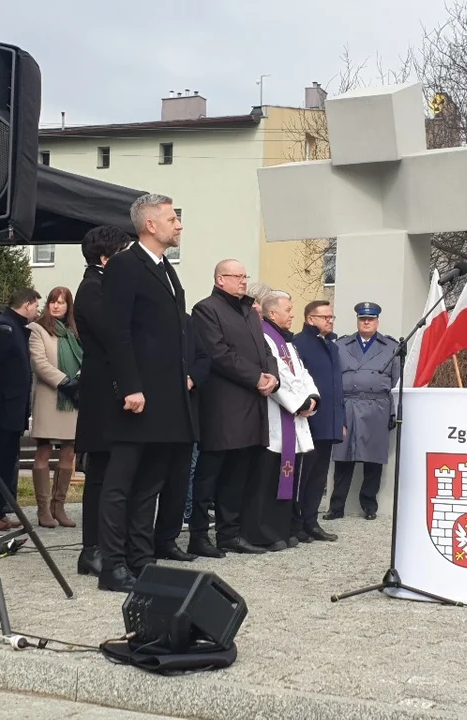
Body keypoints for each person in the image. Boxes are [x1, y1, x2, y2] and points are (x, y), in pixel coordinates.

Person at [98, 193, 195, 592]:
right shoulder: (125, 265)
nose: (179, 225)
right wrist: (130, 386)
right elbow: (116, 332)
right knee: (121, 484)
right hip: (136, 399)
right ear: (150, 225)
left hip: (166, 399)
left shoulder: (167, 270)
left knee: (150, 484)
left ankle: (141, 558)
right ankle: (113, 564)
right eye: (173, 218)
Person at [189, 259, 279, 557]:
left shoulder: (250, 312)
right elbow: (217, 353)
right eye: (236, 276)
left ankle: (230, 534)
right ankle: (199, 536)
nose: (243, 281)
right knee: (210, 473)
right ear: (219, 279)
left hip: (253, 405)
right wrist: (256, 378)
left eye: (245, 276)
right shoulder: (206, 310)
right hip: (223, 405)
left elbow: (265, 349)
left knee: (239, 473)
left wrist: (272, 376)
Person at [73, 225, 135, 577]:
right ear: (105, 257)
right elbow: (114, 333)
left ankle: (112, 543)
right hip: (101, 392)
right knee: (98, 474)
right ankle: (91, 547)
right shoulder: (92, 288)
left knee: (113, 472)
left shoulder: (105, 285)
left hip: (109, 389)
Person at [244, 291, 319, 551]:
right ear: (272, 313)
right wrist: (298, 403)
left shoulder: (288, 341)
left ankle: (282, 528)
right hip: (274, 416)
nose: (292, 314)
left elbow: (302, 372)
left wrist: (312, 398)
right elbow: (278, 376)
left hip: (294, 415)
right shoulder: (265, 337)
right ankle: (263, 532)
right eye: (288, 309)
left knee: (286, 476)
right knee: (267, 479)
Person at [0, 288, 41, 531]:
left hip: (10, 411)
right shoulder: (4, 328)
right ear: (26, 304)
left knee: (4, 464)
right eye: (35, 305)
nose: (36, 310)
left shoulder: (15, 328)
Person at [325, 302, 399, 521]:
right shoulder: (340, 345)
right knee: (343, 458)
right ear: (357, 320)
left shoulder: (391, 347)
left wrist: (392, 410)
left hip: (376, 406)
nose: (366, 322)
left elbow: (396, 382)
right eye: (362, 319)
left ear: (377, 321)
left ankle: (369, 506)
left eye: (371, 319)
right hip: (347, 405)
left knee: (373, 459)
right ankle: (336, 507)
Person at [152, 312, 211, 561]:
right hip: (155, 411)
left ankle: (167, 539)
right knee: (150, 482)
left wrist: (192, 378)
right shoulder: (147, 319)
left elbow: (203, 357)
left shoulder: (187, 322)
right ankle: (138, 542)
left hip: (186, 412)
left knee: (178, 482)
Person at [27, 287, 82, 529]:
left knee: (69, 451)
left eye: (62, 302)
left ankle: (58, 507)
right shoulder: (37, 329)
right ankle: (43, 508)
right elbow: (39, 362)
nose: (57, 306)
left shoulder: (75, 332)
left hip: (73, 399)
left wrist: (79, 379)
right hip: (50, 396)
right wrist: (64, 381)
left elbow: (85, 357)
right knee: (44, 450)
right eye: (53, 301)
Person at [292, 300, 345, 542]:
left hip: (329, 421)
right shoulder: (298, 344)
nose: (330, 321)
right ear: (310, 319)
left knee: (319, 475)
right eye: (325, 317)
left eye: (331, 317)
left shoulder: (332, 346)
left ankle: (311, 521)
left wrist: (340, 419)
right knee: (303, 473)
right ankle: (297, 522)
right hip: (309, 420)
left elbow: (337, 387)